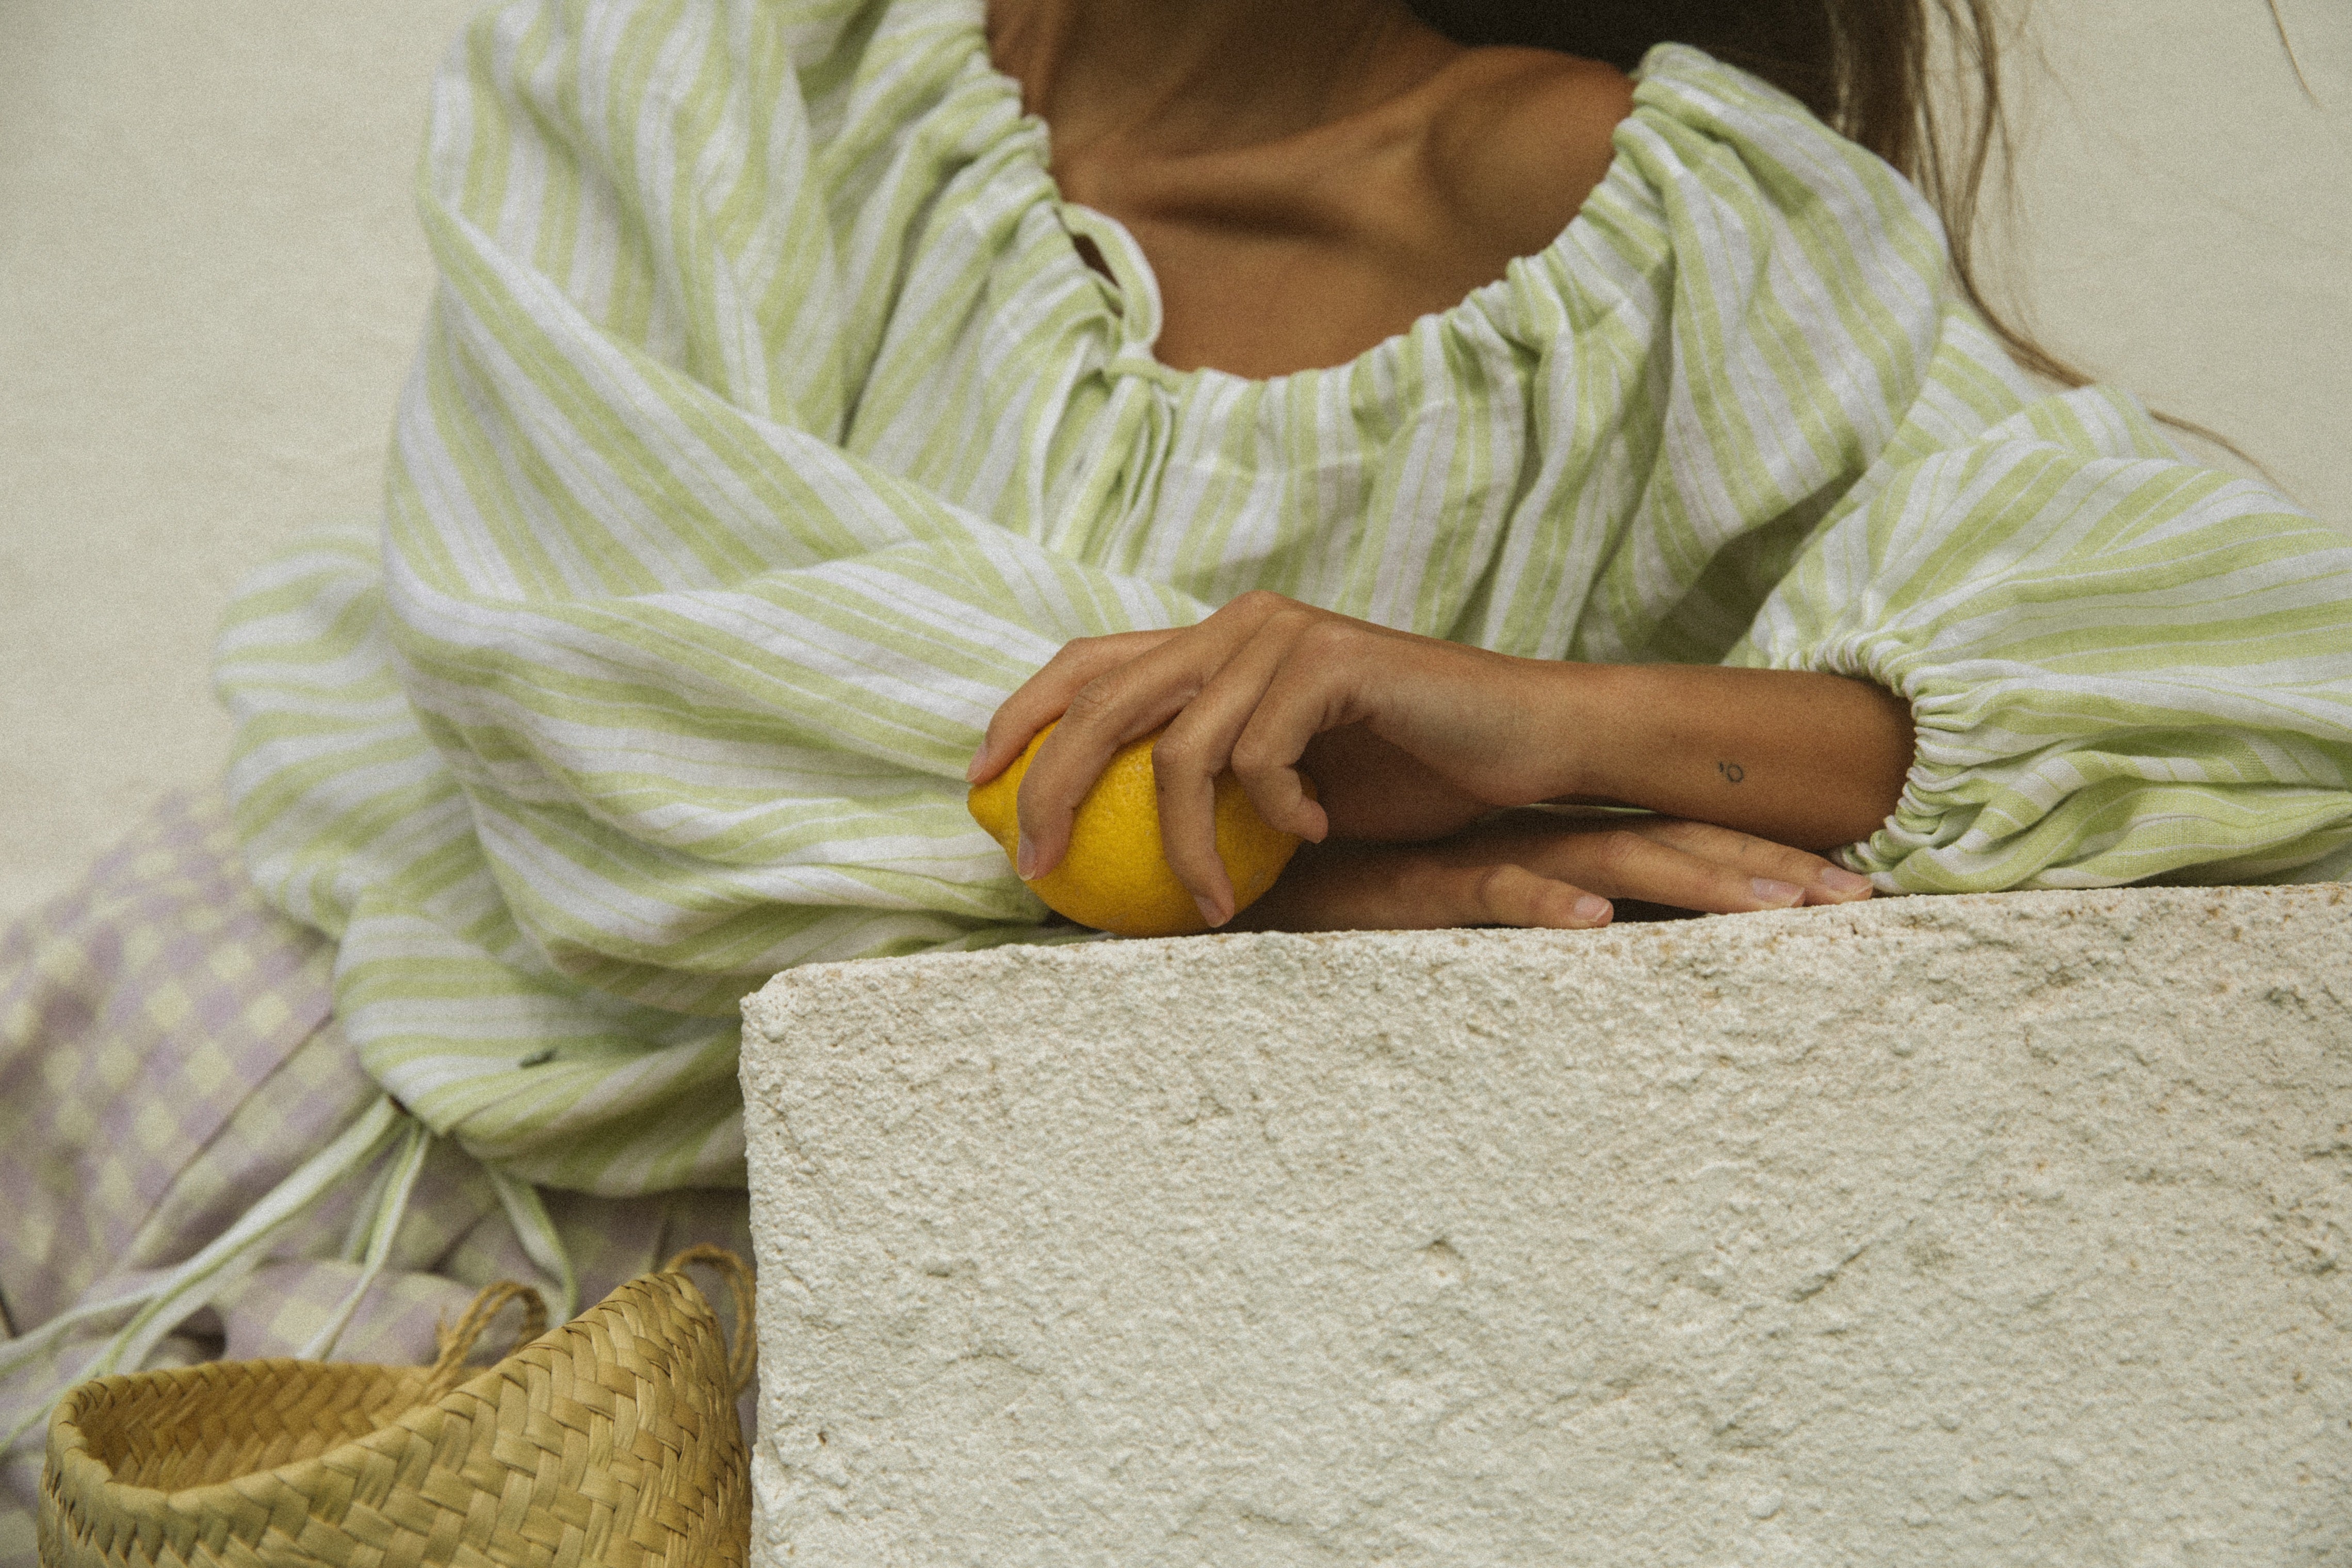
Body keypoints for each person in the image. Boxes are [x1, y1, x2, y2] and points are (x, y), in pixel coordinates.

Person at [5, 0, 2349, 1534]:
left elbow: (2262, 656)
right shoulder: (712, 60)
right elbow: (601, 692)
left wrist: (1515, 719)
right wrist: (1267, 872)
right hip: (222, 1117)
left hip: (871, 1369)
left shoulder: (1640, 230)